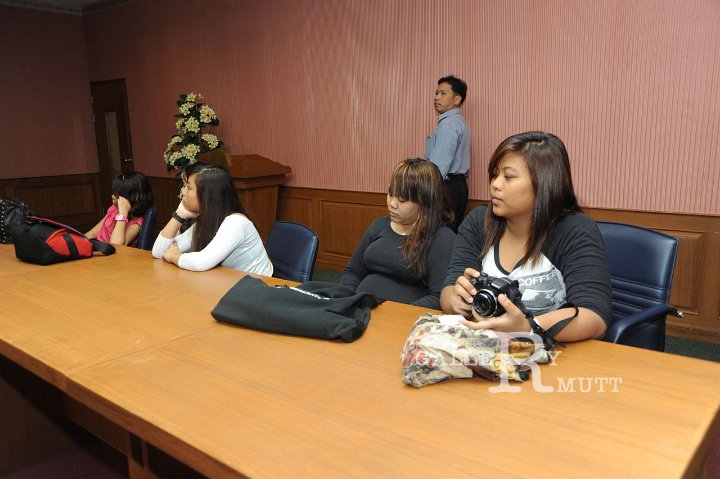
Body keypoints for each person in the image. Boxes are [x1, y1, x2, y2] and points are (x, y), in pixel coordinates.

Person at [439, 131, 611, 342]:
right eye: (495, 174)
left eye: (508, 177)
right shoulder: (478, 222)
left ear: (543, 183)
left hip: (556, 352)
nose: (495, 184)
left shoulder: (574, 230)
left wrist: (527, 327)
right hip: (486, 347)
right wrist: (455, 300)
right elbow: (448, 290)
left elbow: (594, 317)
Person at [340, 158, 456, 310]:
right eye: (390, 194)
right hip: (360, 310)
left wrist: (395, 314)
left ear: (425, 203)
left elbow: (438, 297)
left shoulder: (442, 238)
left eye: (402, 199)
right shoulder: (379, 225)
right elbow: (353, 272)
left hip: (402, 318)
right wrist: (346, 301)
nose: (392, 204)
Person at [152, 162, 273, 275]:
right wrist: (179, 215)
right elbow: (159, 252)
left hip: (258, 285)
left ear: (208, 196)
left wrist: (175, 257)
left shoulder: (236, 223)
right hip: (227, 282)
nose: (182, 191)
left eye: (188, 187)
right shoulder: (206, 220)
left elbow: (201, 262)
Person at [424, 74, 471, 232]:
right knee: (450, 235)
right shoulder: (459, 123)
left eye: (443, 93)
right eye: (436, 93)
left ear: (457, 99)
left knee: (440, 236)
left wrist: (425, 192)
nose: (436, 97)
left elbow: (437, 169)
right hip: (457, 187)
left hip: (445, 188)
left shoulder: (448, 125)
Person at [86, 171, 154, 246]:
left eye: (116, 195)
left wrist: (123, 213)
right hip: (96, 247)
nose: (112, 196)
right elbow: (92, 233)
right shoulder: (114, 209)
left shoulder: (136, 224)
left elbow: (115, 245)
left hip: (109, 251)